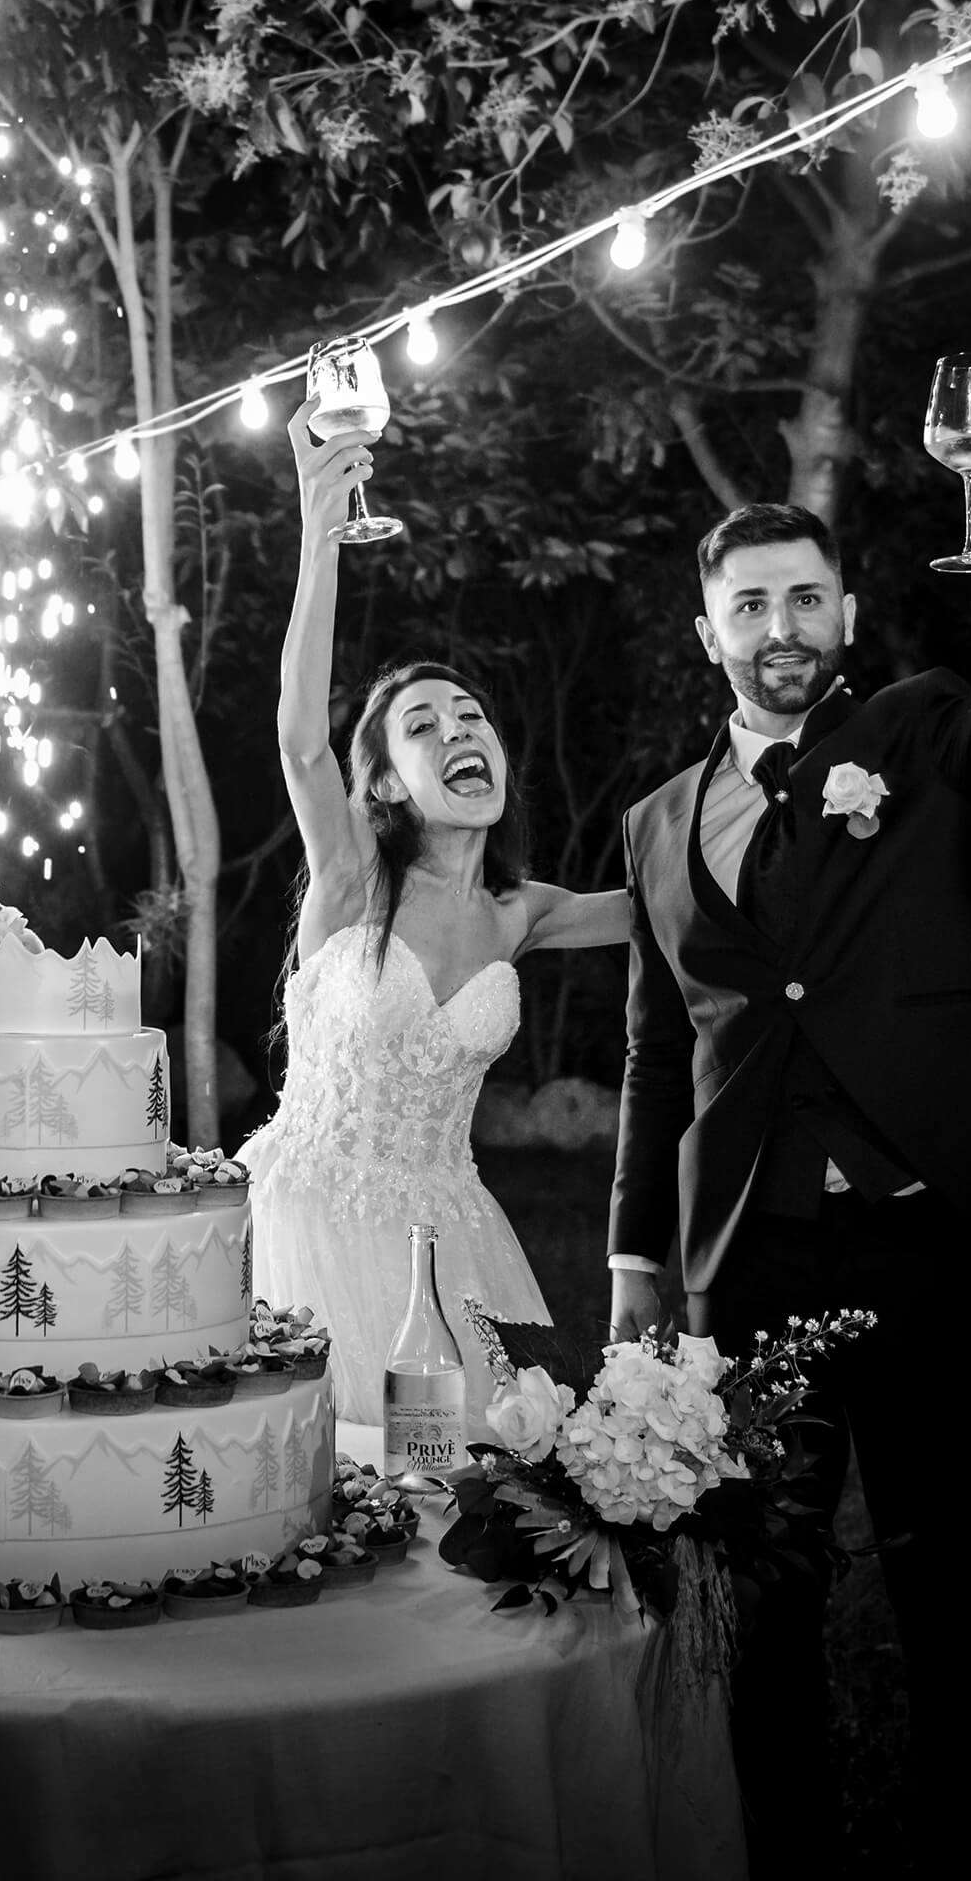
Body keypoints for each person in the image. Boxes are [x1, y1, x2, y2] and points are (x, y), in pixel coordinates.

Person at [606, 377, 971, 1874]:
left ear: (845, 614)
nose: (780, 626)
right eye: (749, 603)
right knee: (760, 1595)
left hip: (928, 1235)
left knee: (943, 1577)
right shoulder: (651, 825)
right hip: (749, 1255)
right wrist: (640, 1261)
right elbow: (654, 1051)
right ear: (708, 634)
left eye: (805, 599)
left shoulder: (923, 731)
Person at [242, 396, 634, 1427]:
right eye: (422, 723)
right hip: (306, 1222)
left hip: (451, 1232)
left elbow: (674, 907)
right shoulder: (351, 876)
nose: (459, 728)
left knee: (472, 1483)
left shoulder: (523, 912)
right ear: (382, 785)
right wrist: (316, 543)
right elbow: (296, 743)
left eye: (469, 715)